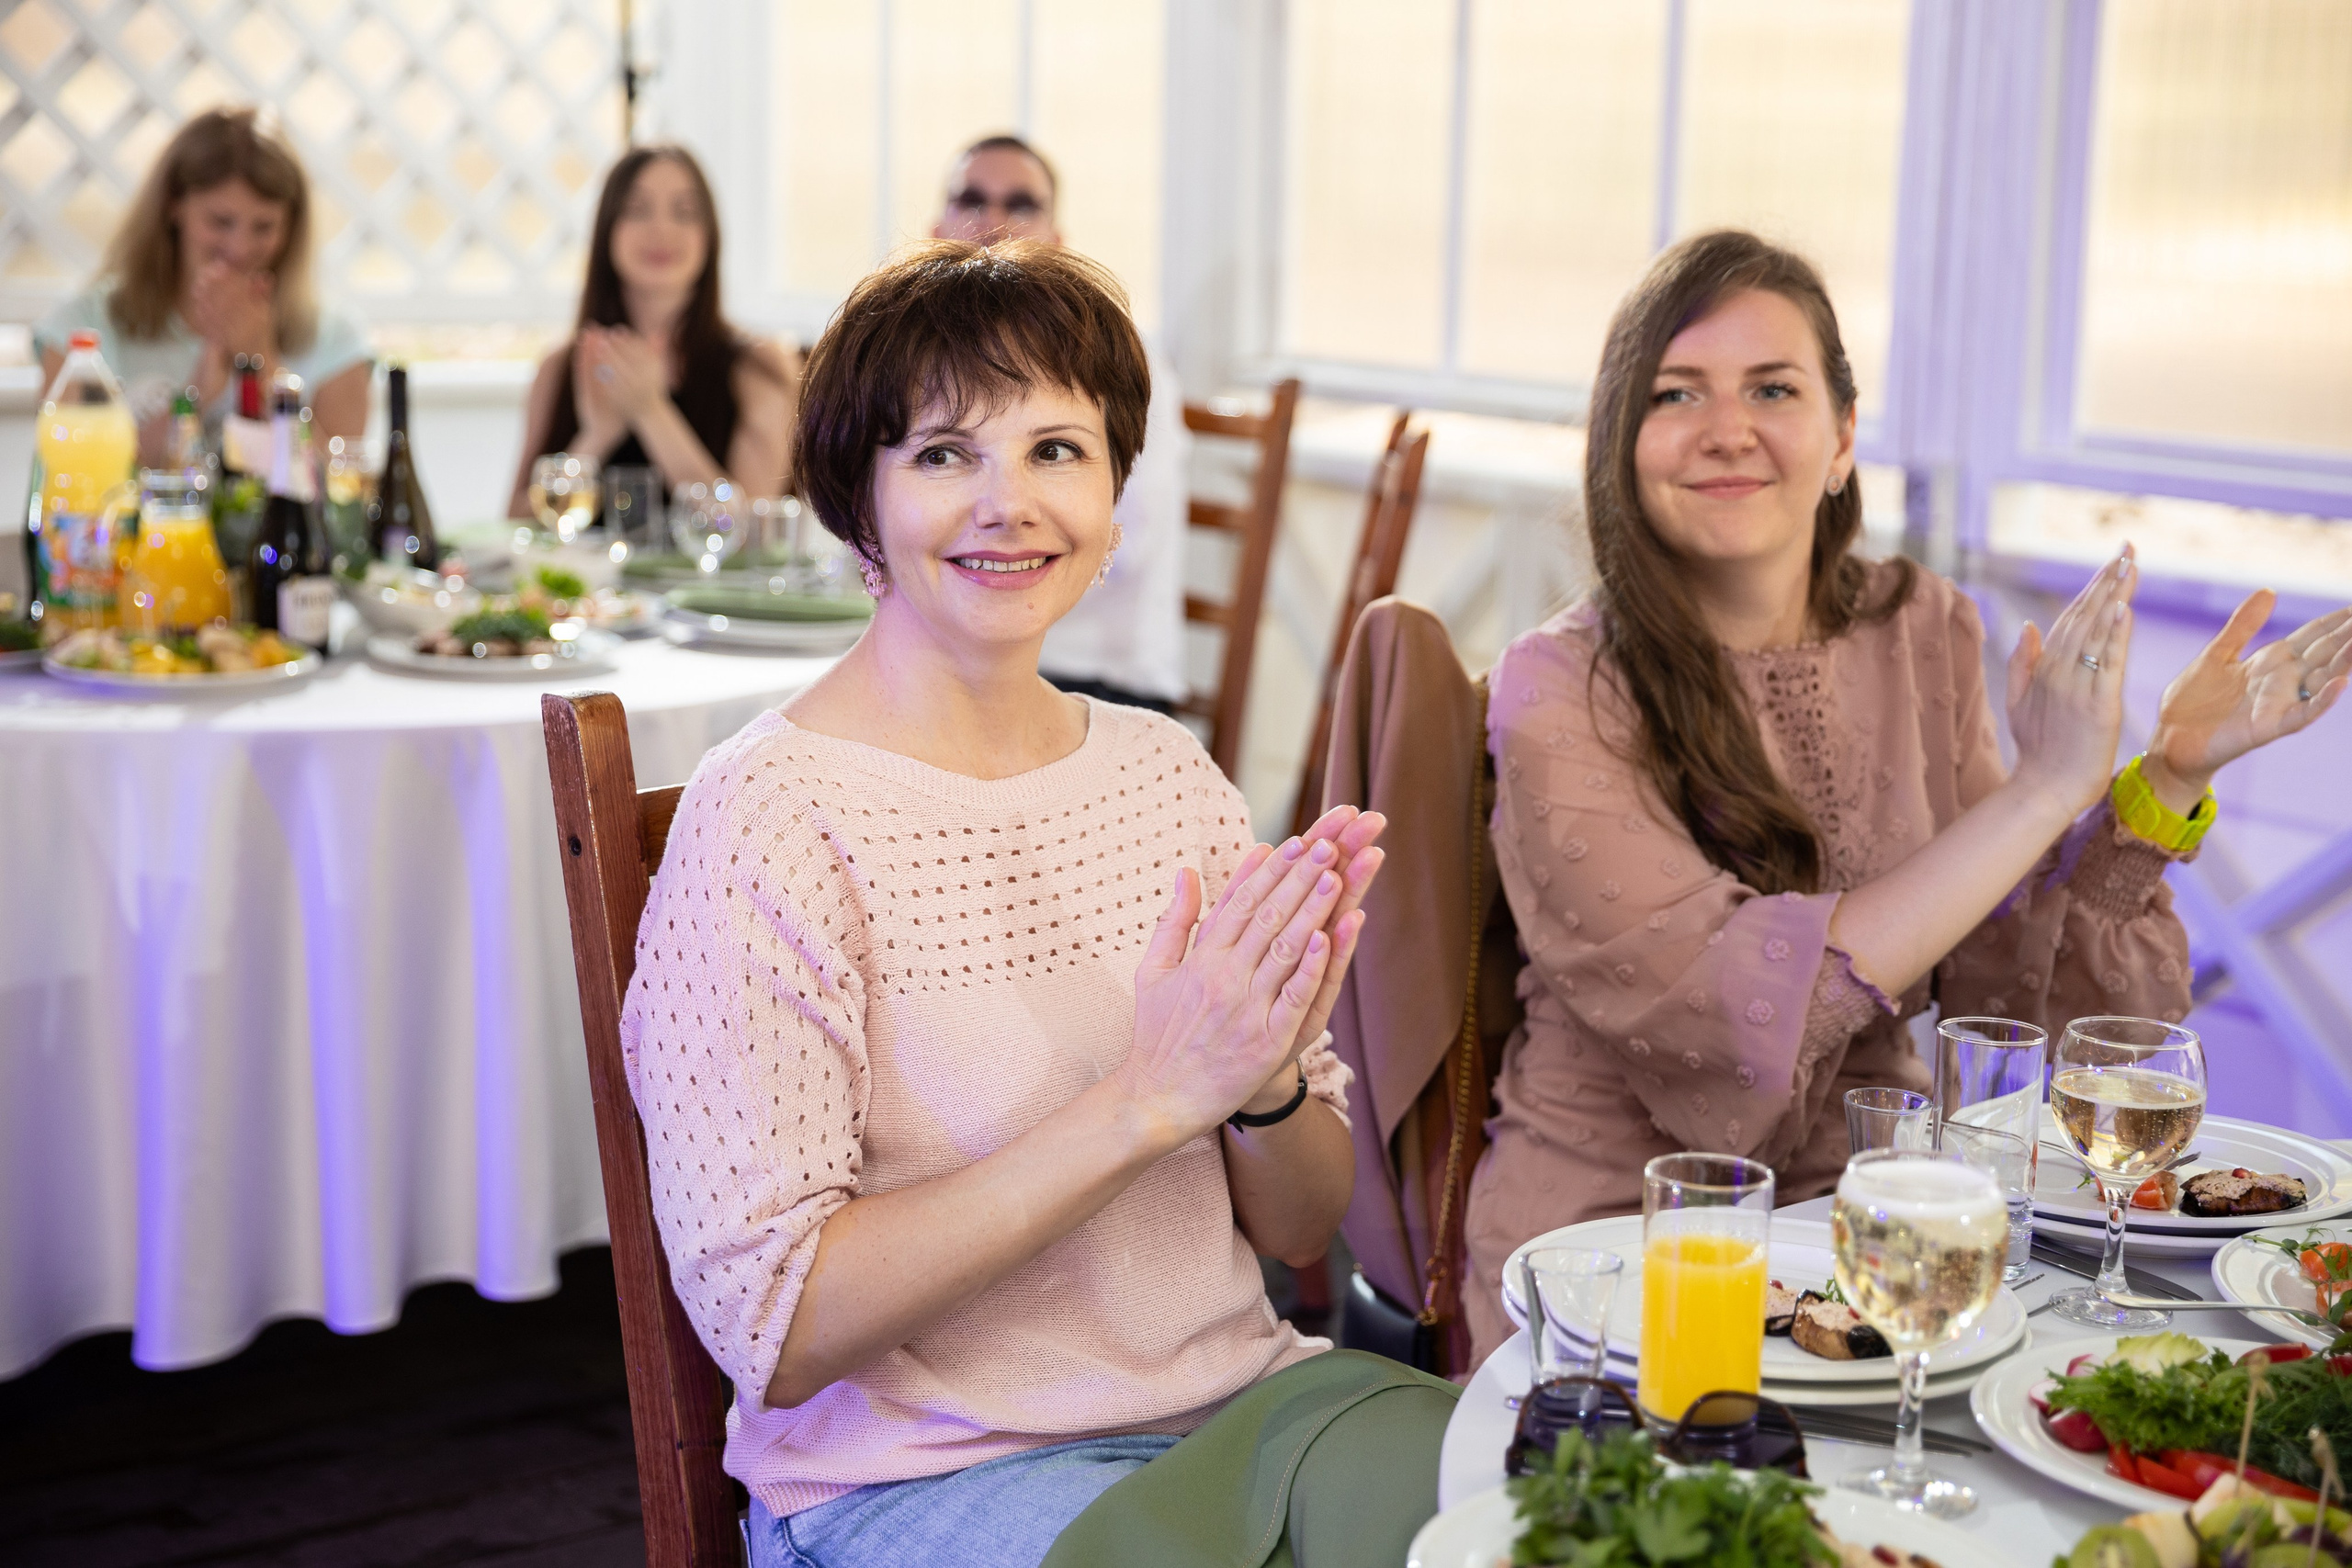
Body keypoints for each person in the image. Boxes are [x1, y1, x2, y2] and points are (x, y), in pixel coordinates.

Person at [621, 240, 1456, 1568]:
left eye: (1058, 449)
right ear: (860, 497)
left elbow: (1303, 1225)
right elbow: (771, 1325)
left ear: (1118, 496)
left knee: (1559, 1510)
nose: (1009, 502)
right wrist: (1142, 1103)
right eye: (945, 453)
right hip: (920, 1479)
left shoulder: (1171, 778)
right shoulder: (771, 819)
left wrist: (1254, 1080)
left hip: (1249, 1408)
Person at [1461, 230, 2352, 1367]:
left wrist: (2166, 777)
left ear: (1839, 441)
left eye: (1772, 388)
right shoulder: (1561, 684)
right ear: (1621, 443)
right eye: (1675, 393)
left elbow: (2009, 982)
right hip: (1623, 1240)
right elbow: (1714, 1011)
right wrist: (2038, 790)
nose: (1727, 426)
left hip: (1875, 1229)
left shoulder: (1918, 627)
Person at [933, 134, 1189, 716]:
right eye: (972, 199)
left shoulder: (1120, 356)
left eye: (1020, 204)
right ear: (936, 229)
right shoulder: (917, 363)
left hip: (1093, 675)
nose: (993, 220)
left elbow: (1128, 546)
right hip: (957, 663)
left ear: (1057, 241)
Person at [34, 107, 370, 464]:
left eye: (264, 227)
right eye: (220, 221)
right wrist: (197, 394)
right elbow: (79, 478)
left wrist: (264, 363)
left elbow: (339, 496)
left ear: (291, 227)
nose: (240, 248)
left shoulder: (337, 339)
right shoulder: (86, 327)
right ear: (173, 205)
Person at [507, 144, 795, 516]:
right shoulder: (560, 368)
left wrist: (650, 411)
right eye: (638, 210)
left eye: (684, 212)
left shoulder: (758, 365)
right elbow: (516, 525)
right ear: (608, 229)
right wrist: (595, 438)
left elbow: (750, 535)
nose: (661, 229)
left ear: (710, 235)